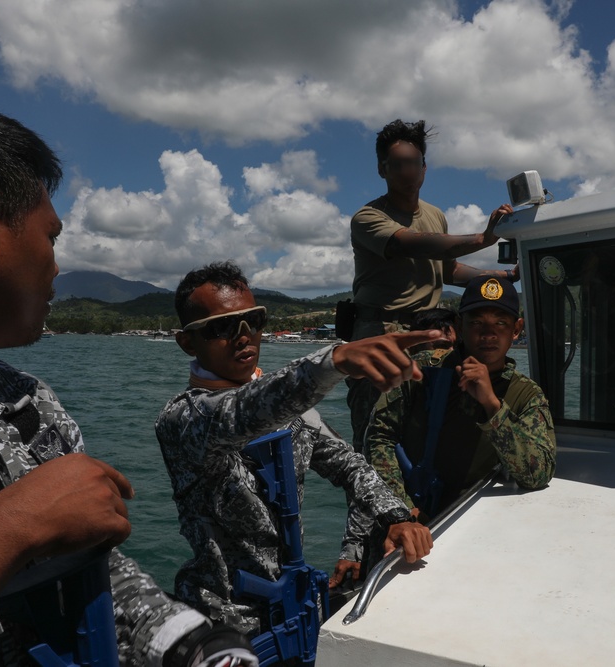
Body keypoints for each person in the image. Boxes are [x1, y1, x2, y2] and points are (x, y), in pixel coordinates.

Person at [0, 98, 255, 667]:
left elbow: (91, 568)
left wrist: (188, 641)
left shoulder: (26, 401)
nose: (57, 267)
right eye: (52, 237)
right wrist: (6, 531)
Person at [155, 261, 435, 636]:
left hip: (295, 608)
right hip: (223, 621)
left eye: (252, 321)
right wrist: (333, 360)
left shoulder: (293, 413)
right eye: (222, 327)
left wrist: (395, 517)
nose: (243, 336)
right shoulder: (183, 420)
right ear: (187, 341)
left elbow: (348, 466)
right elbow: (240, 411)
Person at [335, 276, 557, 581]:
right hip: (404, 527)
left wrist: (492, 404)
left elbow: (538, 473)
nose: (488, 333)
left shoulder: (525, 396)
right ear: (460, 325)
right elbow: (378, 436)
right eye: (477, 322)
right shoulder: (424, 370)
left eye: (501, 323)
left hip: (471, 532)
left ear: (517, 330)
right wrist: (401, 509)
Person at [347, 118, 519, 449]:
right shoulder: (368, 218)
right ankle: (371, 497)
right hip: (383, 330)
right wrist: (484, 238)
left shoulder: (436, 215)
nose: (407, 171)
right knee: (375, 431)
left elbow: (448, 269)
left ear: (424, 167)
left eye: (413, 163)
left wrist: (507, 276)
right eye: (397, 164)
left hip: (432, 333)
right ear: (382, 169)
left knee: (426, 425)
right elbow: (415, 244)